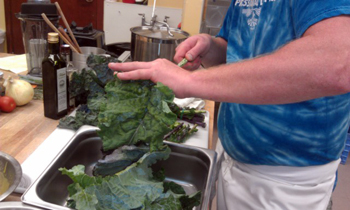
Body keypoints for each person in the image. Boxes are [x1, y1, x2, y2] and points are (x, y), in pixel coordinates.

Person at [109, 1, 350, 209]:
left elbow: (337, 63)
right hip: (232, 156)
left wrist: (188, 81)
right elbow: (237, 49)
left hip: (287, 181)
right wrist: (211, 46)